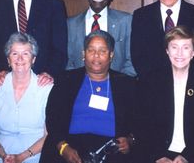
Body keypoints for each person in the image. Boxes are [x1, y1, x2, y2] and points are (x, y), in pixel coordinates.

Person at [40, 30, 136, 163]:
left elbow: (139, 121)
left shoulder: (127, 84)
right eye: (91, 50)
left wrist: (130, 140)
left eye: (102, 51)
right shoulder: (66, 80)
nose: (96, 56)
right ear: (83, 54)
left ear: (111, 55)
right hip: (71, 146)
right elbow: (52, 118)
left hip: (111, 149)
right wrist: (63, 147)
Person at [136, 26, 194, 162]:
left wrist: (187, 156)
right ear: (167, 51)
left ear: (193, 52)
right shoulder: (151, 82)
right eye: (174, 47)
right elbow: (143, 125)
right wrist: (159, 156)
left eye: (186, 47)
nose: (179, 53)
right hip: (157, 153)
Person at [0, 32, 53, 163]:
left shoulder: (47, 89)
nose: (20, 59)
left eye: (25, 54)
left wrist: (21, 157)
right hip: (0, 155)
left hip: (35, 154)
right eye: (14, 54)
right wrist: (4, 155)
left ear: (33, 59)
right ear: (8, 60)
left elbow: (48, 135)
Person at [67, 0, 135, 76]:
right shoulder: (71, 24)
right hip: (80, 86)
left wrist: (119, 83)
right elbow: (67, 61)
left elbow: (132, 59)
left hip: (117, 86)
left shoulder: (125, 21)